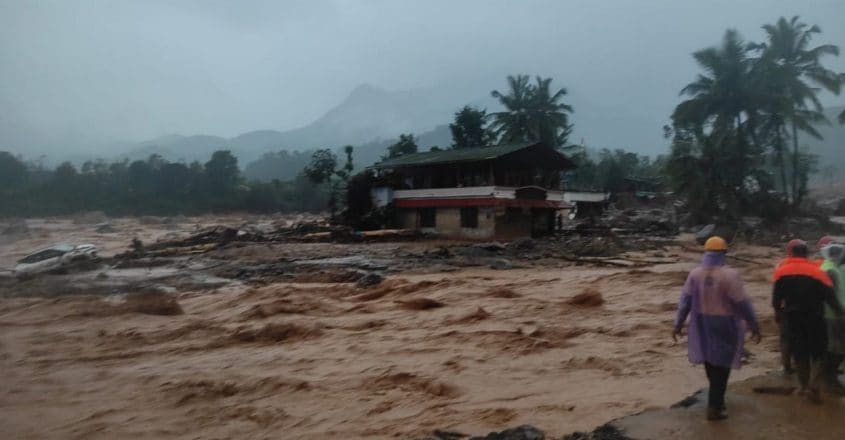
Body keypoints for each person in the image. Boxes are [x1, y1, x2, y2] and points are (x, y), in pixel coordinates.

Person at [673, 236, 761, 421]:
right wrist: (754, 325)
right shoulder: (730, 275)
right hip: (725, 323)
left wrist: (678, 324)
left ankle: (717, 400)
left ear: (705, 252)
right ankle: (714, 407)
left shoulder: (695, 274)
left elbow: (685, 302)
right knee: (722, 365)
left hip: (701, 322)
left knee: (710, 360)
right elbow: (743, 303)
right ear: (724, 253)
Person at [772, 239, 844, 404]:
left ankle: (803, 386)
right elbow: (830, 298)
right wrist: (840, 313)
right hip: (815, 318)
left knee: (800, 352)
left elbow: (776, 299)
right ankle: (814, 385)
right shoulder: (817, 272)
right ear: (807, 253)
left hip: (792, 318)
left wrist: (778, 314)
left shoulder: (781, 271)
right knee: (819, 352)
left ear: (791, 253)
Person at [820, 243, 845, 394]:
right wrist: (841, 312)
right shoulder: (831, 270)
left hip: (829, 313)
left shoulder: (828, 267)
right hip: (833, 315)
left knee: (833, 346)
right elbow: (831, 296)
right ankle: (830, 378)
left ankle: (829, 375)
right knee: (837, 347)